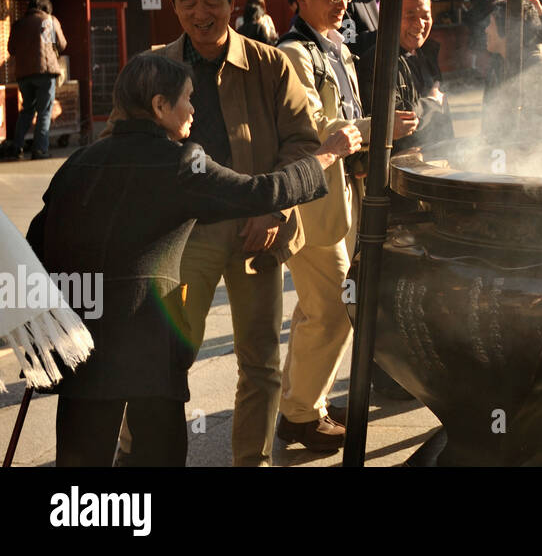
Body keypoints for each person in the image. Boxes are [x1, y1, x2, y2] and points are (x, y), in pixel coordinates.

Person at [28, 52, 360, 467]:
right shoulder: (177, 164)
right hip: (149, 351)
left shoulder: (78, 162)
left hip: (78, 347)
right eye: (186, 99)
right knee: (157, 456)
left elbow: (36, 244)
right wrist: (327, 156)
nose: (193, 110)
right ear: (160, 107)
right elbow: (259, 192)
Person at [112, 0, 322, 467]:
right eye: (188, 3)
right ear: (173, 6)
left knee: (260, 362)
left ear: (232, 0)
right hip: (185, 235)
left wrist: (273, 212)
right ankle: (135, 455)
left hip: (259, 230)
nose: (200, 13)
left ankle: (252, 461)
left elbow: (302, 143)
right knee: (166, 356)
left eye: (212, 1)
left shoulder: (270, 63)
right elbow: (120, 142)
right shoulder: (152, 68)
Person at [274, 0, 418, 451]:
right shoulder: (294, 53)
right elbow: (313, 128)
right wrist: (380, 128)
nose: (341, 3)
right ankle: (298, 415)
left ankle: (300, 405)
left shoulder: (332, 45)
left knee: (319, 307)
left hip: (340, 193)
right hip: (313, 198)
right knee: (336, 306)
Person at [359, 0, 454, 151]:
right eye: (410, 16)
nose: (420, 24)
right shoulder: (379, 61)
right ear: (390, 17)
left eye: (426, 16)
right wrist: (432, 102)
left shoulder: (428, 53)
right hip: (401, 167)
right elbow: (397, 121)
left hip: (438, 157)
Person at [480, 0, 542, 139]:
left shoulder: (538, 66)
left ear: (508, 30)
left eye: (491, 24)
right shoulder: (499, 64)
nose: (486, 29)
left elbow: (536, 127)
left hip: (531, 156)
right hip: (502, 154)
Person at [1, 0, 66, 160]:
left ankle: (17, 147)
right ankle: (40, 150)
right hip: (45, 73)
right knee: (44, 111)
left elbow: (11, 49)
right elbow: (61, 44)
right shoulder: (49, 21)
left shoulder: (19, 25)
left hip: (24, 75)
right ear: (46, 9)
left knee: (27, 110)